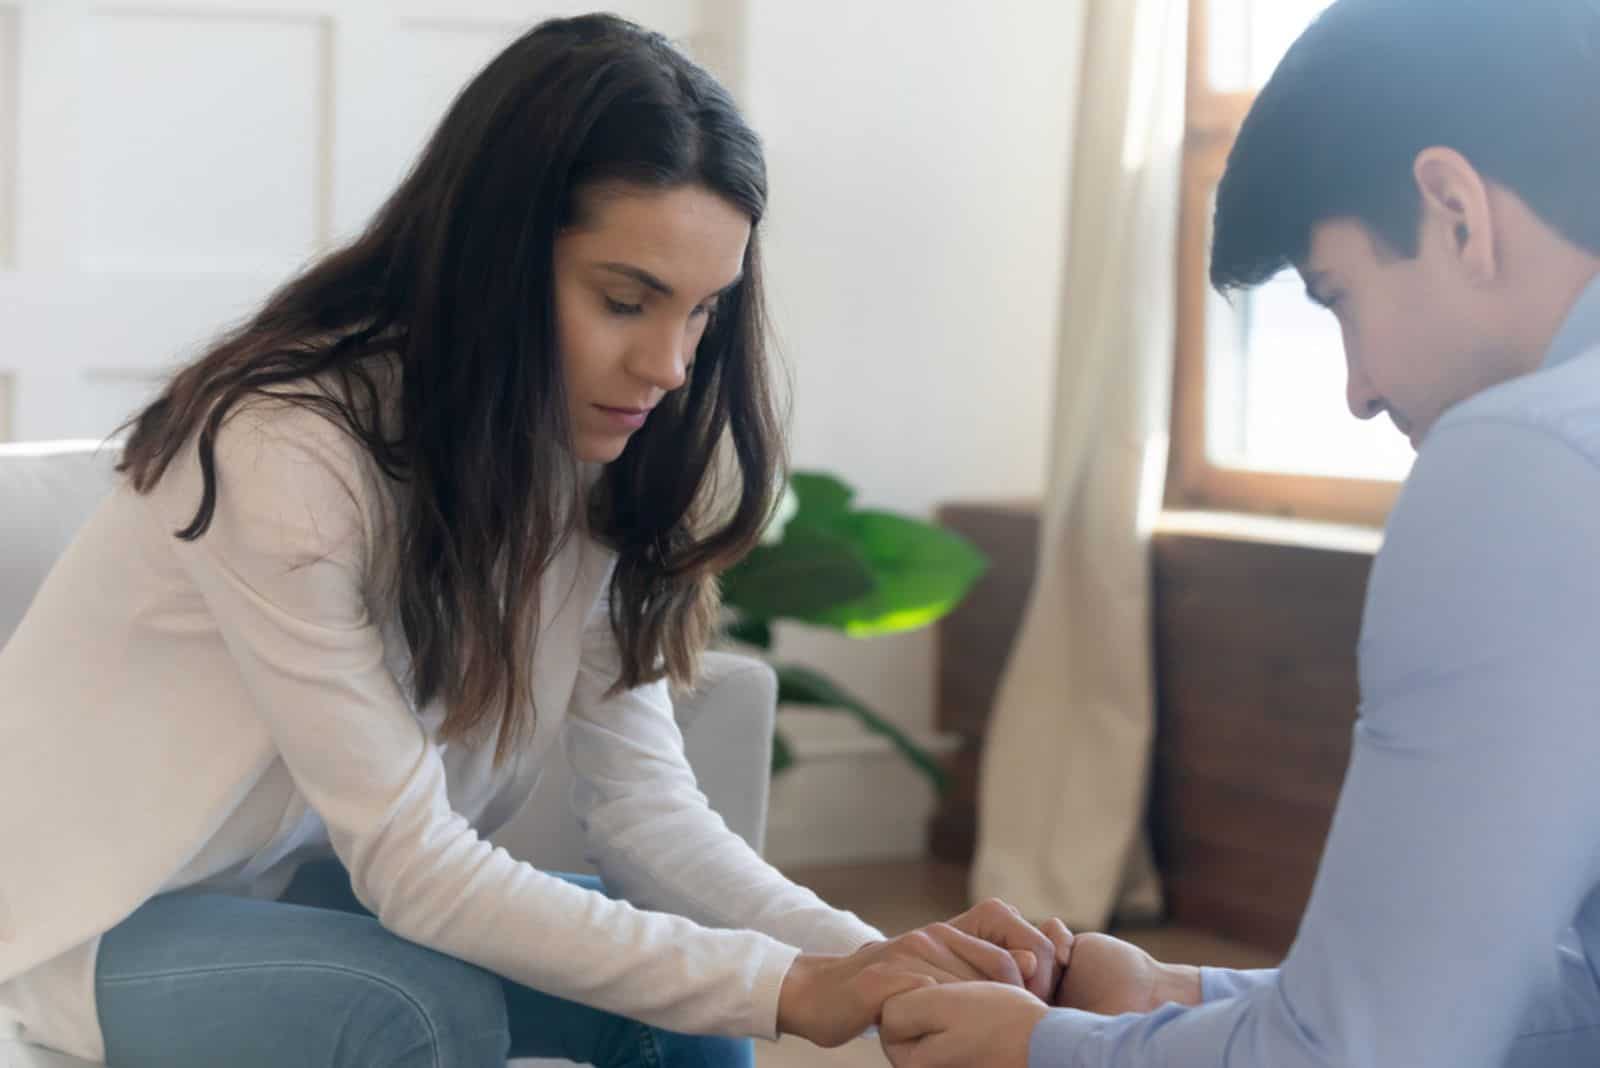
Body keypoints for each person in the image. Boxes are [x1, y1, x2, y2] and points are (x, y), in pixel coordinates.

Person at [0, 15, 1073, 1067]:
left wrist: (881, 962)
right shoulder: (284, 450)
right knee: (415, 1006)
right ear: (494, 259)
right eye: (626, 300)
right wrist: (793, 989)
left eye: (703, 312)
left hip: (272, 888)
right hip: (79, 919)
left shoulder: (583, 458)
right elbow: (413, 868)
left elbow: (648, 816)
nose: (669, 365)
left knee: (684, 998)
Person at [876, 1, 1600, 1065]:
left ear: (1453, 210)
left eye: (1336, 295)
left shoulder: (1527, 460)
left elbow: (1362, 1057)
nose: (1354, 390)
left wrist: (1041, 1053)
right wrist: (1179, 994)